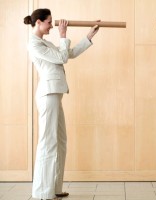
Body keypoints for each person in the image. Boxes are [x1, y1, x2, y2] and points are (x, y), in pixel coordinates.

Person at [24, 8, 100, 200]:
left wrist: (89, 35)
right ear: (39, 22)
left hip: (55, 94)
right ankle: (42, 192)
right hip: (48, 94)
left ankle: (55, 188)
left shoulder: (45, 42)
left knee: (61, 141)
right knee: (47, 142)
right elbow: (62, 58)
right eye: (50, 22)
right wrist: (63, 35)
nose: (53, 25)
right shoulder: (34, 44)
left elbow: (70, 53)